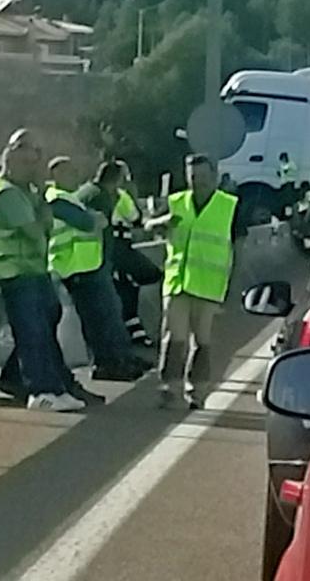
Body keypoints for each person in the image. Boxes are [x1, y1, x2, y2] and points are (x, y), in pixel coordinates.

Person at [0, 131, 85, 411]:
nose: (32, 168)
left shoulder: (25, 192)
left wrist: (41, 206)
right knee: (32, 329)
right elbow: (37, 231)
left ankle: (27, 379)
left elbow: (44, 227)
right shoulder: (6, 193)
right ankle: (42, 390)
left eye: (34, 162)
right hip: (9, 272)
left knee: (49, 315)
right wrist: (42, 213)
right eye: (26, 162)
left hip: (30, 270)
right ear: (11, 159)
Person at [147, 154, 246, 409]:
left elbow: (240, 246)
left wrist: (235, 285)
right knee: (174, 336)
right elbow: (148, 225)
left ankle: (198, 390)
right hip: (177, 281)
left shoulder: (230, 206)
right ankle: (170, 387)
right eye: (193, 177)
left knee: (202, 340)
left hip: (209, 284)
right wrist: (162, 222)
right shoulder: (175, 202)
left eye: (202, 177)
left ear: (214, 177)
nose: (197, 182)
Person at [46, 159, 143, 382]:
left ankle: (118, 360)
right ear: (58, 173)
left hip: (89, 264)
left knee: (108, 314)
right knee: (100, 318)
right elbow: (89, 222)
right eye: (71, 170)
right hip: (76, 266)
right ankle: (109, 364)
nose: (77, 173)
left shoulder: (73, 196)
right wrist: (94, 220)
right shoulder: (57, 198)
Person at [109, 162, 162, 347]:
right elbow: (136, 219)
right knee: (151, 275)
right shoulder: (121, 195)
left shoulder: (90, 193)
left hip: (105, 251)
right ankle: (137, 330)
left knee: (127, 288)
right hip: (119, 248)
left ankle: (135, 331)